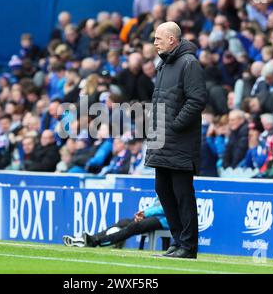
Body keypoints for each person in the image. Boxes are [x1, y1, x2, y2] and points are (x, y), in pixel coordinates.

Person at [144, 22, 207, 259]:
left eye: (158, 38)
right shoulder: (164, 64)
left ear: (172, 39)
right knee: (163, 189)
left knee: (182, 194)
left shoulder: (189, 63)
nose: (155, 42)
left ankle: (188, 246)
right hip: (162, 141)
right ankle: (177, 240)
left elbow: (197, 100)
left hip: (179, 142)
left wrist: (175, 125)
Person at [62, 198, 168, 248]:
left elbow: (167, 208)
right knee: (124, 221)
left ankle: (96, 241)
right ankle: (88, 239)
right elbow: (157, 204)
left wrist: (146, 213)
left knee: (135, 226)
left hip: (167, 220)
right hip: (155, 216)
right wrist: (145, 213)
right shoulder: (165, 183)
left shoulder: (174, 184)